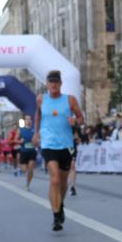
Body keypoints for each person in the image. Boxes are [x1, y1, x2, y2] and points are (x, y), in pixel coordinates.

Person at [33, 70, 84, 231]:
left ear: (60, 84)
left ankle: (60, 204)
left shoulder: (70, 100)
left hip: (66, 145)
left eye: (56, 82)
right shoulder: (41, 99)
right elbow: (38, 115)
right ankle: (56, 215)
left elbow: (81, 118)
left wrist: (75, 121)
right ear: (47, 84)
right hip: (48, 144)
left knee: (62, 182)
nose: (53, 85)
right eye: (50, 82)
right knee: (54, 179)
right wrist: (36, 133)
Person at [18, 114, 38, 191]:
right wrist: (20, 141)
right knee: (24, 170)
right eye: (27, 119)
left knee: (30, 168)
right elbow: (15, 140)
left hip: (32, 151)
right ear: (25, 121)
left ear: (31, 121)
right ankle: (22, 171)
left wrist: (35, 142)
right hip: (24, 151)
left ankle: (28, 184)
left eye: (29, 119)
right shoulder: (21, 130)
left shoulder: (34, 130)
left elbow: (38, 142)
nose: (28, 121)